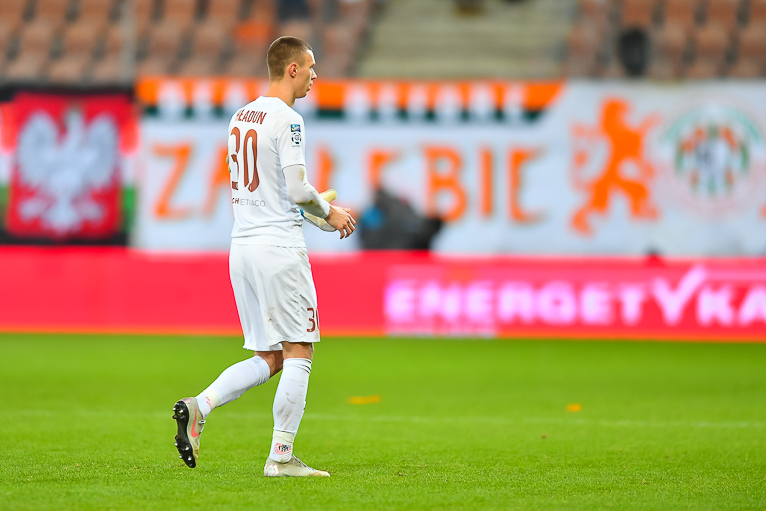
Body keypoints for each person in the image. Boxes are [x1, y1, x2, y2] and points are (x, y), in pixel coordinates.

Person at [171, 36, 356, 477]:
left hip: (243, 247)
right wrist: (329, 212)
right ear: (292, 69)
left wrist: (314, 214)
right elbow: (296, 190)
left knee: (270, 357)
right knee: (299, 351)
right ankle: (281, 457)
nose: (314, 75)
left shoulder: (241, 117)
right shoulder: (289, 120)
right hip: (278, 250)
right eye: (310, 67)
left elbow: (271, 192)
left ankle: (200, 406)